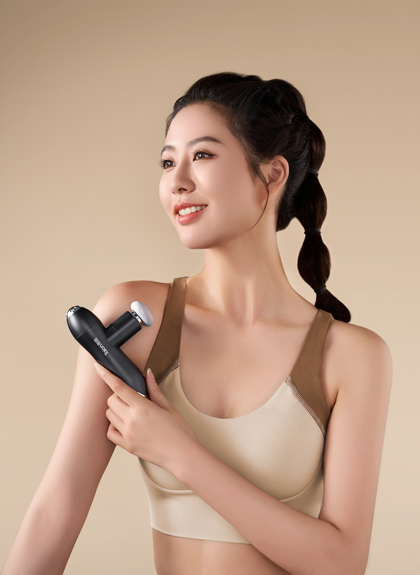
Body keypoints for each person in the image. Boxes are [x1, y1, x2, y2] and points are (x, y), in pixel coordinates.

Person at [2, 72, 393, 575]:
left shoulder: (352, 356)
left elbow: (341, 563)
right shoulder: (134, 319)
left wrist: (180, 453)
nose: (177, 181)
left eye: (202, 155)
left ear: (272, 174)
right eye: (168, 162)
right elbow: (56, 508)